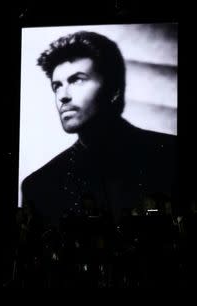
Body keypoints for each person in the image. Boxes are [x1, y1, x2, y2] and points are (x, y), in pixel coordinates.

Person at [21, 31, 177, 228]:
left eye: (77, 79)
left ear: (113, 90)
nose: (63, 96)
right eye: (56, 86)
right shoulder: (40, 186)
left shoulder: (171, 155)